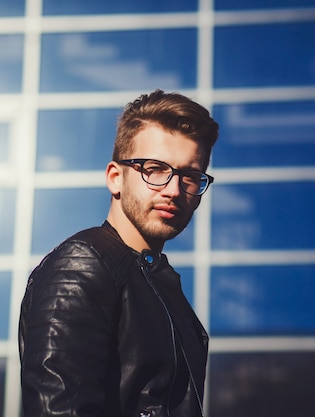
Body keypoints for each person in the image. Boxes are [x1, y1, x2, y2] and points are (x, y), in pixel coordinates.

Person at [19, 89, 219, 417]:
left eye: (190, 176)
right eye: (155, 169)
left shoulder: (158, 286)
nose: (173, 190)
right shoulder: (81, 267)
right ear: (116, 178)